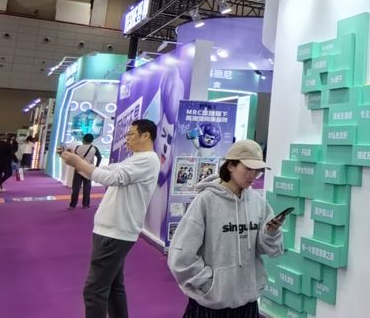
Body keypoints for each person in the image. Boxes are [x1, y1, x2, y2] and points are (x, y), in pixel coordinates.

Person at [168, 140, 285, 317]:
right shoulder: (205, 201)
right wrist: (208, 285)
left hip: (247, 303)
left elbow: (265, 249)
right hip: (210, 305)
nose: (253, 176)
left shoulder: (257, 202)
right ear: (231, 165)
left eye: (257, 171)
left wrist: (270, 233)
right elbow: (181, 256)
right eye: (248, 168)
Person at [59, 119, 160, 318]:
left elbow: (112, 178)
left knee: (94, 290)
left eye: (131, 134)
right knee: (113, 286)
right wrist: (80, 163)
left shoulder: (147, 159)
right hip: (113, 230)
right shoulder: (137, 159)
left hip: (115, 231)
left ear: (145, 135)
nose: (127, 139)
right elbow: (110, 171)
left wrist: (79, 163)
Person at [69, 134, 103, 210]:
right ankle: (86, 204)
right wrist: (96, 166)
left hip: (78, 169)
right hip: (89, 169)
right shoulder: (94, 148)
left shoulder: (78, 147)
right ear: (92, 140)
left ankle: (72, 205)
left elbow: (74, 158)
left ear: (83, 140)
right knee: (87, 188)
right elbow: (99, 157)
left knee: (76, 188)